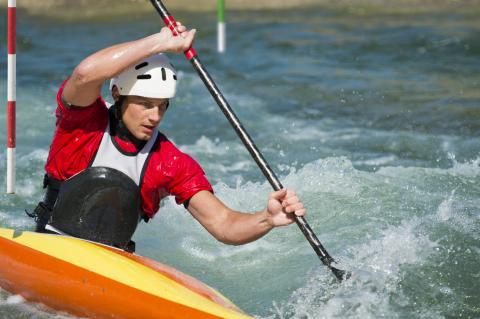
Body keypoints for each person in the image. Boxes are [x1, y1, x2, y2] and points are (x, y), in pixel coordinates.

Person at [29, 22, 306, 252]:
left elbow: (223, 224)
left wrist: (267, 219)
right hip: (51, 245)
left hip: (113, 263)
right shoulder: (81, 124)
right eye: (146, 104)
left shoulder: (170, 162)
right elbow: (85, 74)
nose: (155, 116)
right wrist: (160, 42)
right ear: (117, 95)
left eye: (162, 106)